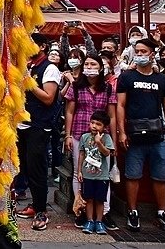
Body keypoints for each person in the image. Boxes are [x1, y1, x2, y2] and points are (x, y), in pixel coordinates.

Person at [116, 37, 165, 233]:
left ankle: (162, 212)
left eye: (144, 51)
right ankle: (133, 212)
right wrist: (122, 132)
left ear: (152, 54)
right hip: (134, 136)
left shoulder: (161, 79)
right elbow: (120, 105)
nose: (140, 55)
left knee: (160, 177)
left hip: (158, 136)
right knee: (132, 175)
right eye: (138, 51)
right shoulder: (126, 77)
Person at [64, 53, 118, 230]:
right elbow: (70, 111)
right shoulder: (76, 86)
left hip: (103, 138)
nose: (89, 67)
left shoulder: (108, 88)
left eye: (93, 64)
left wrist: (114, 141)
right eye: (86, 64)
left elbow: (112, 114)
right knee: (79, 173)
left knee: (103, 174)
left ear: (101, 68)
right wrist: (68, 135)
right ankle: (81, 210)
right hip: (80, 133)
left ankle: (103, 214)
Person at [16, 32, 61, 232]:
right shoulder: (29, 66)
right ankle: (34, 205)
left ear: (42, 46)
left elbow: (48, 98)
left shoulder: (49, 68)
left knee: (37, 169)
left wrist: (28, 81)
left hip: (39, 126)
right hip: (22, 124)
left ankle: (42, 210)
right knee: (24, 167)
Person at [76, 110, 115, 235]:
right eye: (92, 123)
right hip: (87, 174)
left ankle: (99, 221)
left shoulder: (106, 138)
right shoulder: (84, 137)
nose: (94, 126)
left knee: (99, 199)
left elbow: (107, 153)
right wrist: (79, 171)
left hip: (101, 175)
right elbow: (81, 154)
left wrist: (99, 142)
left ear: (104, 127)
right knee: (88, 198)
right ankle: (89, 220)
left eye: (98, 124)